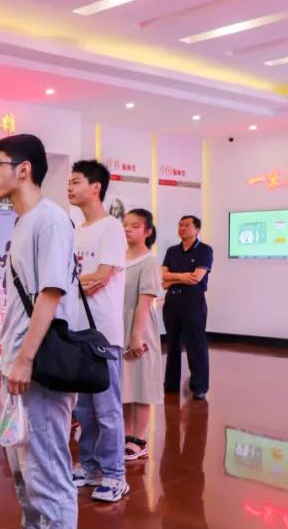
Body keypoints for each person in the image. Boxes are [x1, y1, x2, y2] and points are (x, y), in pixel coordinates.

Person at [0, 134, 84, 529]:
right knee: (23, 465)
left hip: (39, 365)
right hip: (19, 363)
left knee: (47, 467)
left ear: (23, 169)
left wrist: (24, 358)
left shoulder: (50, 220)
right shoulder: (25, 222)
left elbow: (51, 293)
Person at [67, 160, 129, 503]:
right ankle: (90, 467)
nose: (69, 187)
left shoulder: (111, 228)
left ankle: (115, 475)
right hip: (77, 331)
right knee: (84, 410)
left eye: (76, 181)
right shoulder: (77, 230)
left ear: (96, 187)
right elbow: (80, 280)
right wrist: (80, 281)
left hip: (103, 333)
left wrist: (74, 281)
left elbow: (102, 276)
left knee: (107, 409)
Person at [121, 209, 163, 461]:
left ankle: (139, 438)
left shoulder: (149, 261)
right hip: (119, 326)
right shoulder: (119, 256)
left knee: (141, 385)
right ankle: (125, 435)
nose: (127, 229)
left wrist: (135, 337)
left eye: (134, 226)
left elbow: (144, 303)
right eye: (125, 224)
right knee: (125, 385)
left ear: (147, 232)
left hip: (140, 326)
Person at [161, 215, 213, 400]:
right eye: (180, 225)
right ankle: (171, 384)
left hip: (193, 302)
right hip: (172, 302)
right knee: (172, 344)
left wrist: (172, 278)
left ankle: (199, 386)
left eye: (187, 225)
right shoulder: (172, 251)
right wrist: (183, 277)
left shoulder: (204, 250)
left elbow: (196, 277)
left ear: (197, 229)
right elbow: (162, 277)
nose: (182, 228)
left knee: (195, 345)